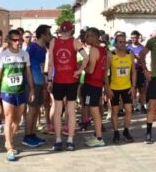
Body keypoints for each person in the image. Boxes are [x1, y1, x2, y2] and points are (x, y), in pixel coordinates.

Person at [0, 29, 36, 161]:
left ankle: (9, 139)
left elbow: (28, 73)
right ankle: (10, 147)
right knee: (9, 117)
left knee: (17, 121)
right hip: (7, 91)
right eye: (15, 40)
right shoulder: (4, 55)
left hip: (20, 90)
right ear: (9, 41)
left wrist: (32, 89)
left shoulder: (25, 54)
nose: (18, 42)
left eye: (20, 40)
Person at [46, 20, 88, 151]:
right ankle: (70, 140)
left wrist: (49, 80)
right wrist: (79, 71)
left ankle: (58, 140)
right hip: (71, 81)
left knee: (58, 111)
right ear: (71, 30)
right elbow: (86, 58)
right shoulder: (75, 42)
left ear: (60, 30)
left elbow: (50, 63)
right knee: (71, 111)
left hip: (58, 80)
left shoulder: (54, 42)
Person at [22, 24, 51, 148]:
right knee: (32, 110)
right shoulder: (32, 47)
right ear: (43, 35)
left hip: (39, 82)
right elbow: (25, 64)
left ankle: (33, 134)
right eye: (49, 34)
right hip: (31, 83)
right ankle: (27, 136)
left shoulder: (43, 48)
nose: (50, 36)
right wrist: (29, 83)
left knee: (36, 110)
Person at [107, 32, 136, 143]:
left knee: (128, 110)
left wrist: (133, 86)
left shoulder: (130, 54)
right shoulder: (111, 54)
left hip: (127, 87)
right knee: (115, 111)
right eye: (120, 42)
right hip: (114, 87)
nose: (122, 44)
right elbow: (106, 73)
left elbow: (133, 71)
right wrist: (107, 88)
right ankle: (116, 133)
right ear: (116, 43)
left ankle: (126, 131)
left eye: (124, 42)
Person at [82, 27, 109, 147]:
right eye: (86, 36)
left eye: (88, 36)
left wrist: (81, 67)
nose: (86, 38)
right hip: (97, 84)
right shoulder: (104, 50)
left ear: (95, 37)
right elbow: (104, 70)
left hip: (91, 83)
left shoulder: (94, 49)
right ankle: (96, 135)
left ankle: (99, 138)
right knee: (95, 110)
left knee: (94, 111)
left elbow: (91, 69)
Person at [127, 30, 146, 113]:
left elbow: (143, 59)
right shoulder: (128, 47)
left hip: (140, 70)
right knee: (132, 89)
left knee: (142, 89)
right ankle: (133, 106)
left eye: (135, 37)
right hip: (131, 71)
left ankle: (142, 106)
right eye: (132, 38)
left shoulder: (142, 48)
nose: (133, 39)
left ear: (138, 37)